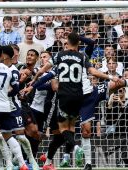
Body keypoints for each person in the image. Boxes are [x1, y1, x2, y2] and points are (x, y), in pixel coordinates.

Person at [30, 32, 120, 170]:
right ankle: (49, 160)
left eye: (68, 43)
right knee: (61, 135)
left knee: (83, 130)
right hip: (68, 98)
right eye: (64, 45)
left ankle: (86, 163)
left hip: (80, 96)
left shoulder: (83, 56)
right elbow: (50, 80)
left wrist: (32, 84)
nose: (67, 47)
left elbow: (91, 44)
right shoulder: (62, 60)